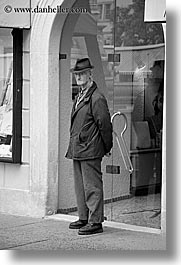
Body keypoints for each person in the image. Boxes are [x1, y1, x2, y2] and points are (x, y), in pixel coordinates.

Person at [65, 58, 113, 235]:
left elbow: (105, 125)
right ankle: (84, 217)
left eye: (82, 73)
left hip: (90, 149)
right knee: (80, 186)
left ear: (90, 74)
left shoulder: (97, 97)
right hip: (78, 148)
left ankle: (95, 221)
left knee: (92, 186)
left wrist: (107, 147)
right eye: (76, 74)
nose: (78, 76)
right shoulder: (80, 94)